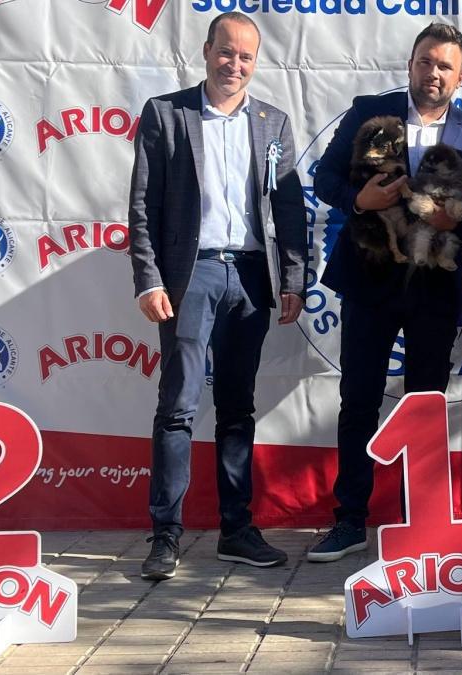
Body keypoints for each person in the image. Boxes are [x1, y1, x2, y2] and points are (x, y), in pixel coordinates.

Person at [128, 11, 306, 581]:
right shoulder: (166, 114)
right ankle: (165, 536)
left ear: (256, 63)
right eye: (226, 52)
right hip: (191, 276)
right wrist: (149, 279)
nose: (235, 64)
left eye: (246, 57)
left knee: (237, 408)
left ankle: (236, 531)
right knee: (178, 406)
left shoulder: (273, 122)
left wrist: (295, 279)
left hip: (251, 278)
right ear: (206, 52)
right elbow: (142, 206)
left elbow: (288, 208)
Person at [308, 23, 462, 562]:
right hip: (369, 281)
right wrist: (359, 201)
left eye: (443, 66)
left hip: (435, 286)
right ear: (410, 64)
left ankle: (423, 522)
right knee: (358, 400)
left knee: (426, 405)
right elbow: (324, 180)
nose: (432, 73)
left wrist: (456, 222)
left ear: (460, 77)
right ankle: (349, 521)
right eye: (424, 62)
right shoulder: (370, 110)